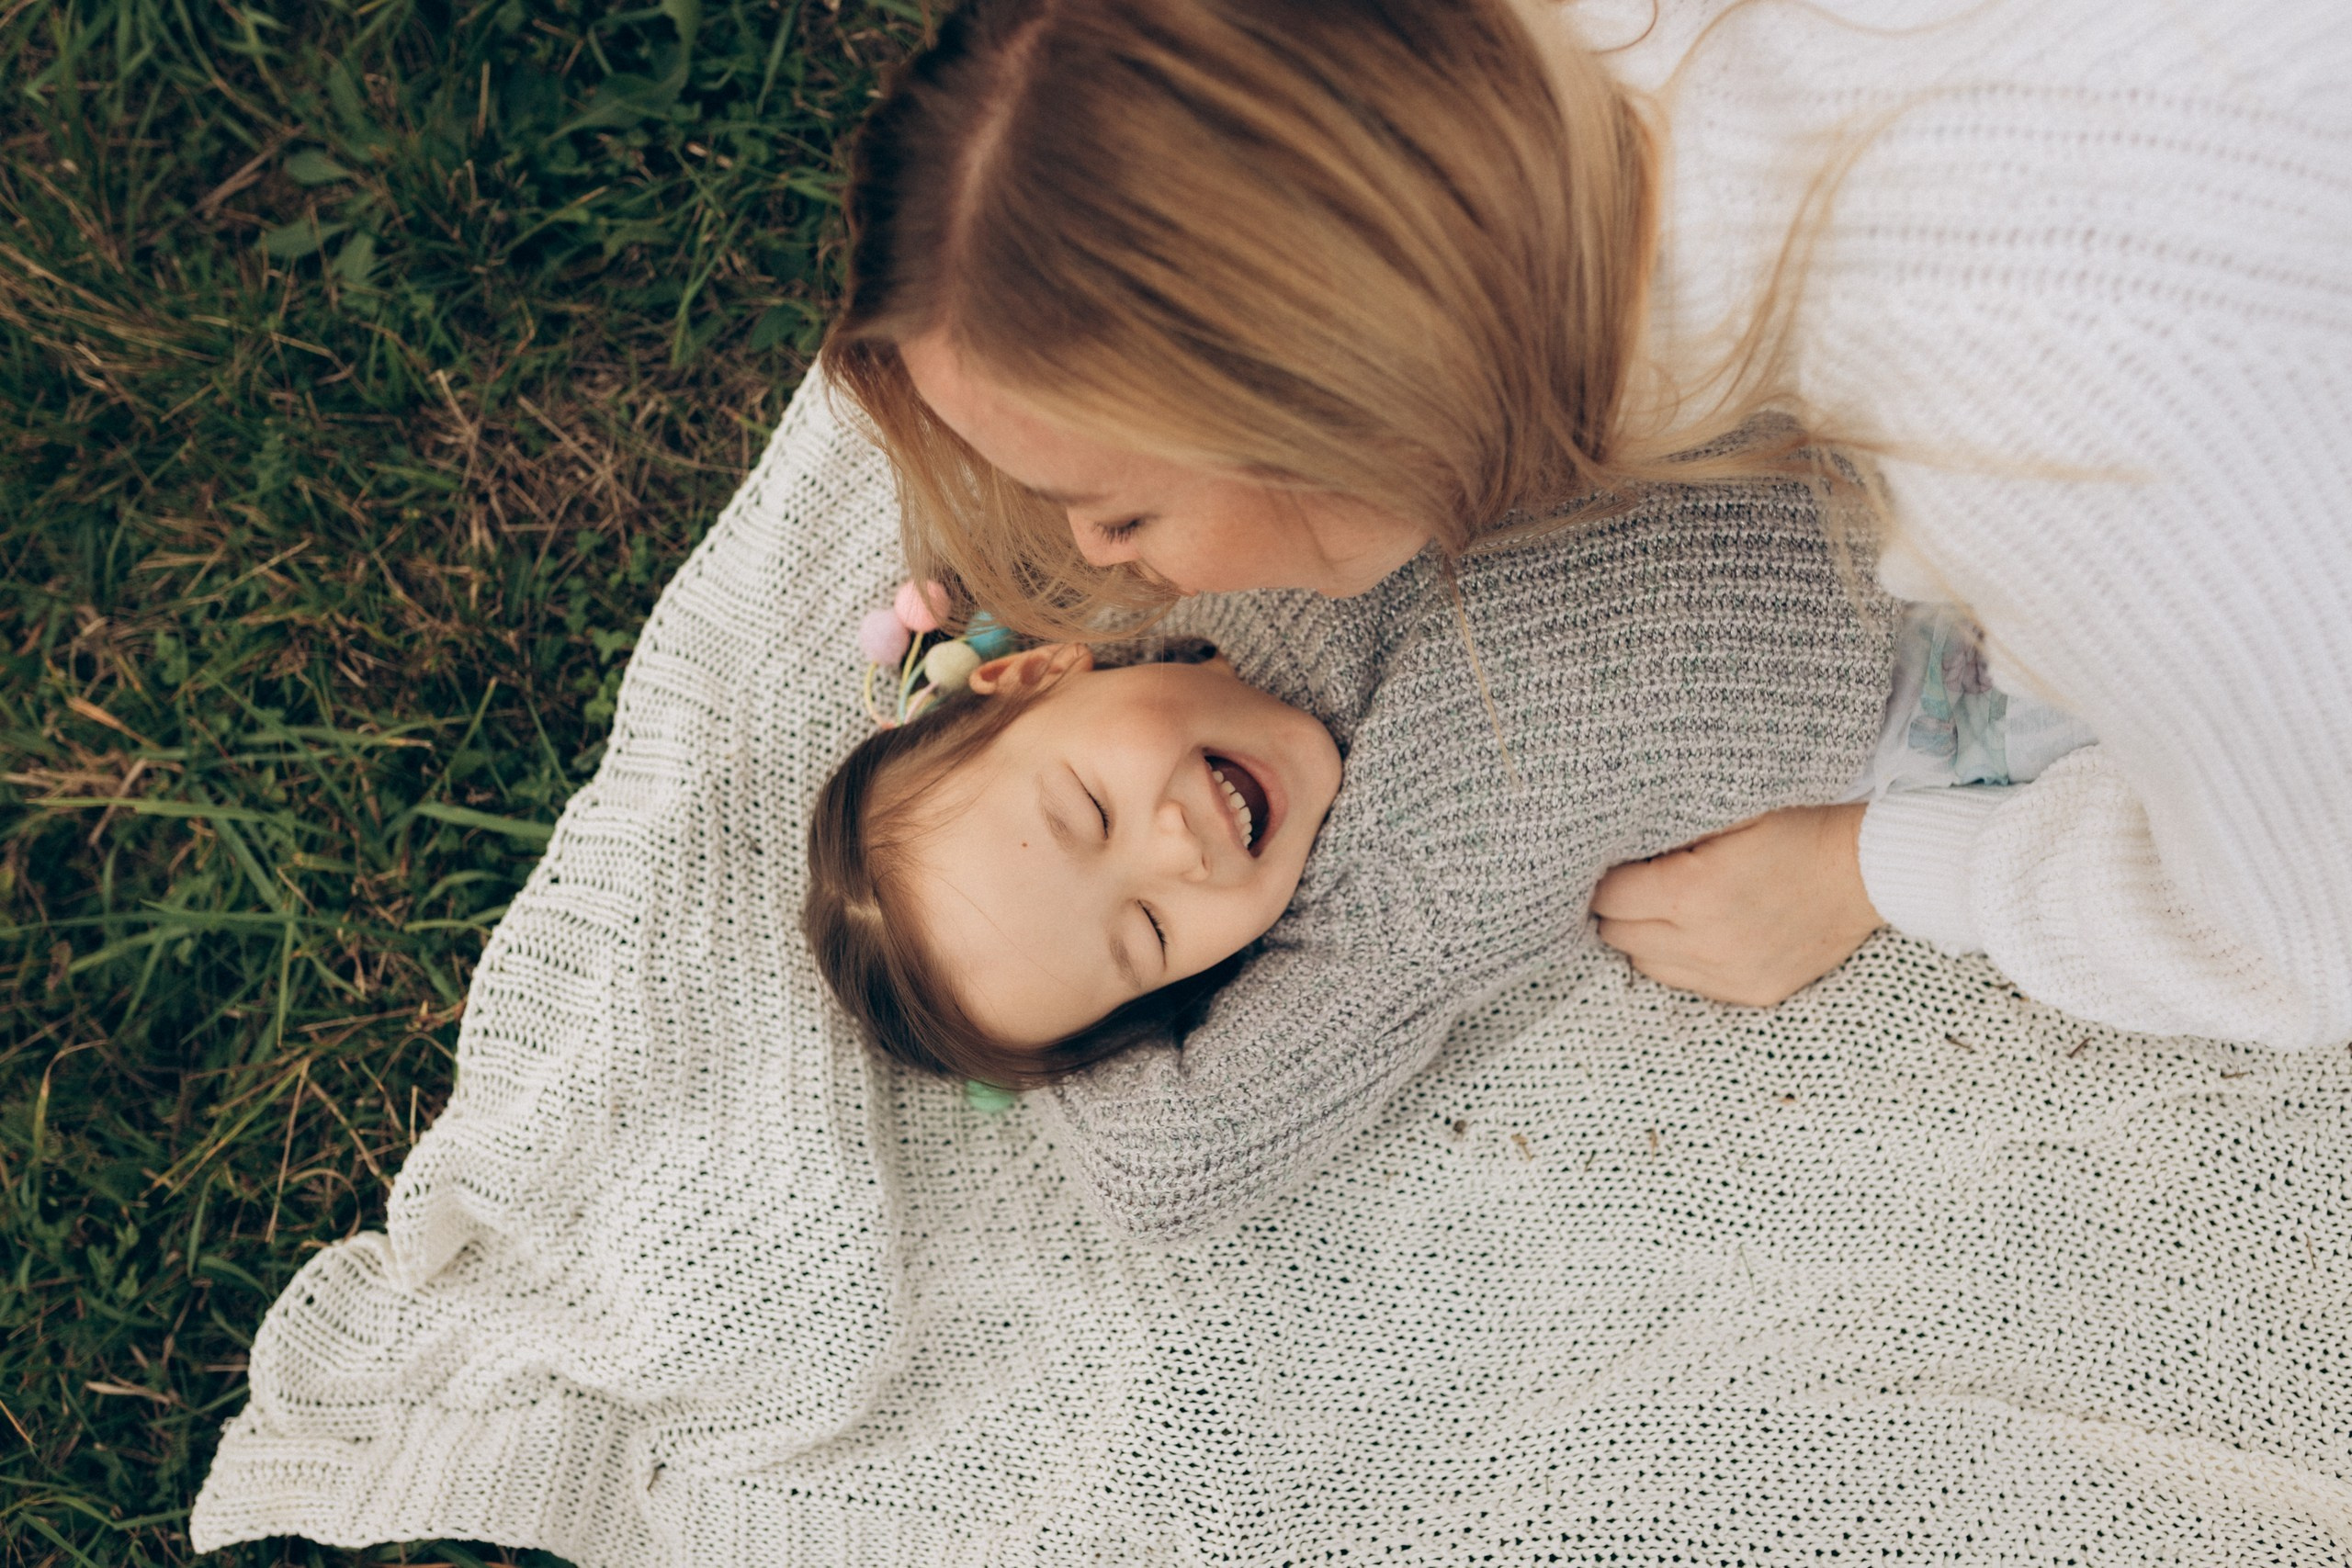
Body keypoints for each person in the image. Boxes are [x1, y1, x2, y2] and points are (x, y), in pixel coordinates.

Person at [820, 0, 2352, 1052]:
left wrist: (1887, 868)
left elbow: (2303, 931)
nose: (1102, 573)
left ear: (1310, 390)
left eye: (1123, 511)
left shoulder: (2061, 422)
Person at [807, 467, 1905, 1240]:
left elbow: (1018, 482)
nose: (1178, 853)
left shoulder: (1208, 569)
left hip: (1833, 411)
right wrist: (1024, 1043)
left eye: (1092, 809)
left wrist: (953, 649)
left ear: (1037, 672)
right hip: (1955, 665)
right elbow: (1162, 1169)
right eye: (1146, 934)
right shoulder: (1380, 917)